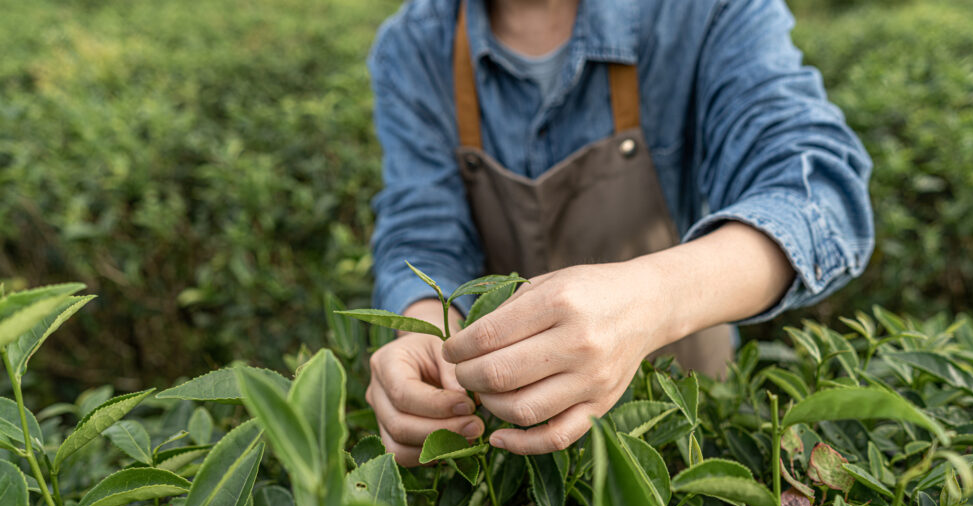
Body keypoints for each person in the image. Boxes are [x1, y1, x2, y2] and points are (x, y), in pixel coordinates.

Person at [365, 0, 873, 466]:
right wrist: (428, 332)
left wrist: (653, 297)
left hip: (689, 428)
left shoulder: (707, 12)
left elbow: (820, 197)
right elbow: (421, 231)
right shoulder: (413, 45)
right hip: (508, 447)